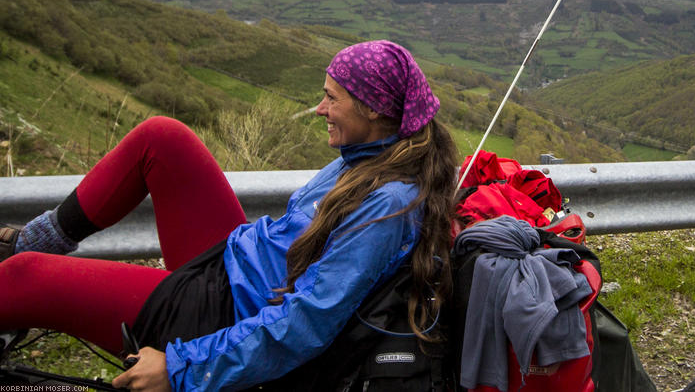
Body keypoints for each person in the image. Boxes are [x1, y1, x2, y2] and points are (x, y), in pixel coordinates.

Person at [0, 40, 458, 391]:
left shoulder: (390, 203)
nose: (320, 108)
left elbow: (307, 322)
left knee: (25, 278)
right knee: (162, 138)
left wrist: (182, 369)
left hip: (224, 315)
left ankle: (18, 262)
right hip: (235, 264)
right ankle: (32, 238)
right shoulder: (373, 153)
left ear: (376, 108)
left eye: (331, 99)